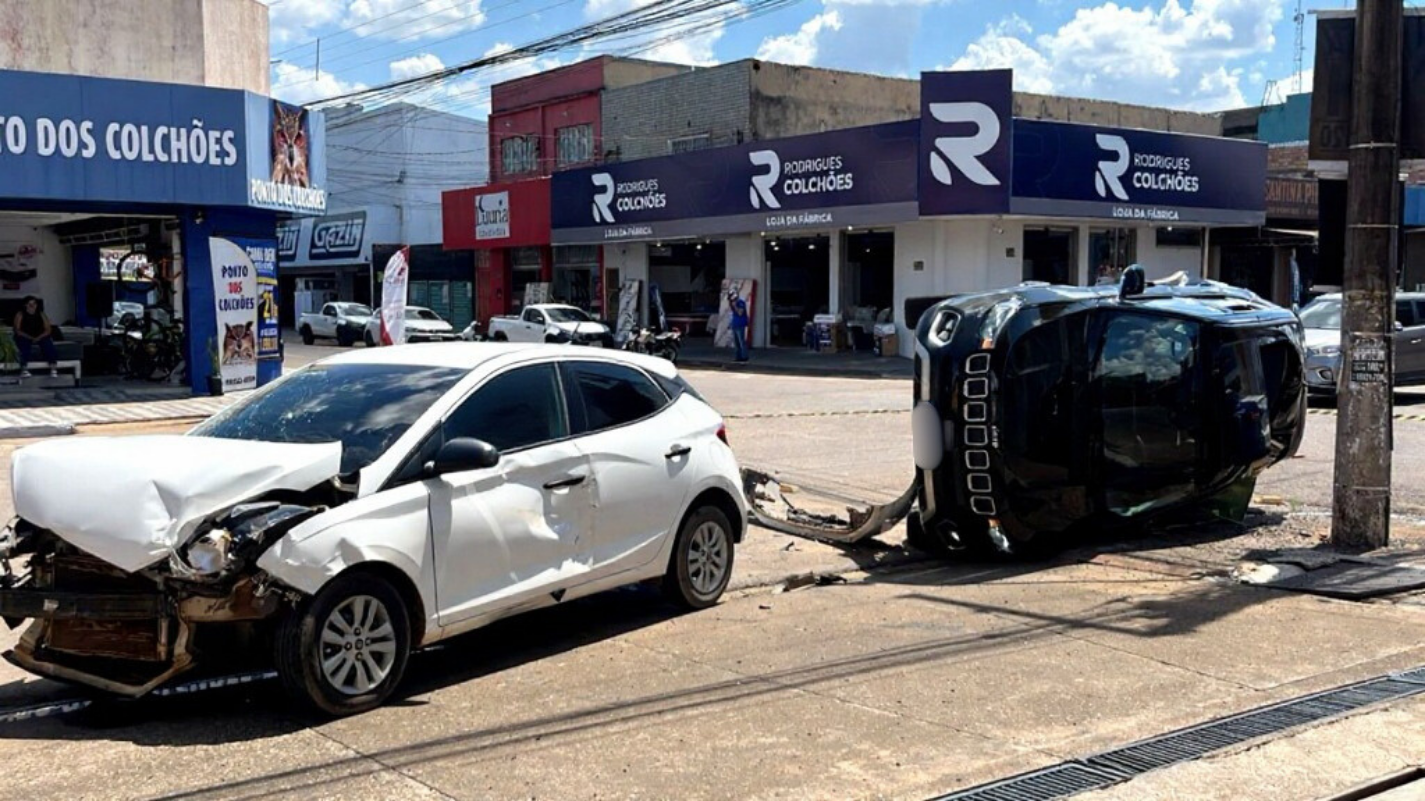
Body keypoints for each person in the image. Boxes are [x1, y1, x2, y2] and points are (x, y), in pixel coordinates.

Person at [12, 296, 59, 379]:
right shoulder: (20, 314)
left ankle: (53, 368)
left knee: (48, 345)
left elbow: (48, 329)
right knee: (23, 345)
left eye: (34, 303)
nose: (32, 306)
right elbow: (17, 330)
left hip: (40, 335)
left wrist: (39, 337)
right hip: (24, 335)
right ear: (25, 305)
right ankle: (24, 369)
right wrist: (30, 338)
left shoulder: (41, 314)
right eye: (29, 304)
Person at [728, 291, 749, 363]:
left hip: (740, 324)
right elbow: (732, 311)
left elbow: (740, 313)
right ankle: (738, 356)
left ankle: (744, 356)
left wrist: (735, 306)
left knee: (741, 341)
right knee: (736, 342)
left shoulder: (740, 302)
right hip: (735, 324)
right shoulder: (733, 303)